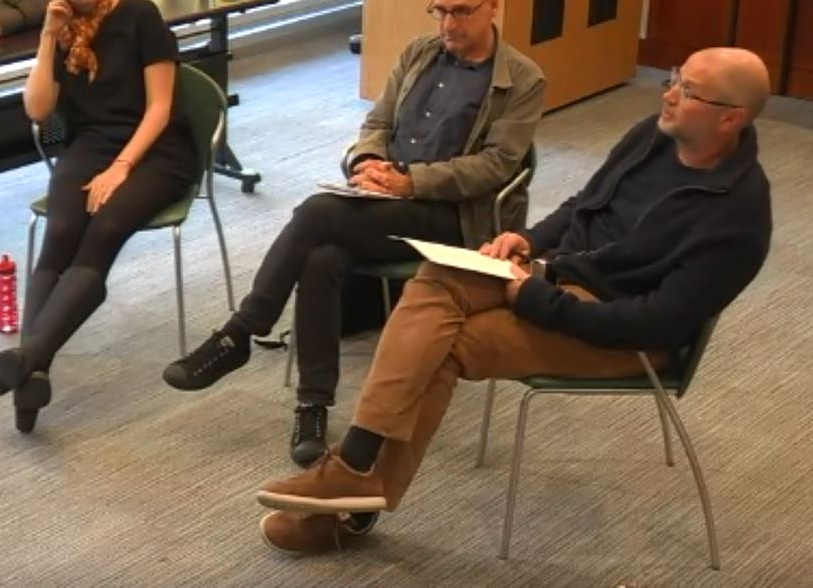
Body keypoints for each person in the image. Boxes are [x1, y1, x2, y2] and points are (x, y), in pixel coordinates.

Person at [253, 47, 773, 554]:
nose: (670, 93)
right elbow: (580, 206)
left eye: (689, 89)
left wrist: (540, 301)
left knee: (448, 342)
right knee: (440, 273)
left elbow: (654, 324)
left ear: (731, 119)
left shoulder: (737, 218)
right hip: (555, 275)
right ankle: (357, 471)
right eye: (675, 77)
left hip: (618, 330)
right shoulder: (653, 137)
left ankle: (350, 500)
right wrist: (531, 242)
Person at [162, 0, 546, 467]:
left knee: (318, 213)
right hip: (387, 202)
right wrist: (367, 162)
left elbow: (495, 166)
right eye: (440, 11)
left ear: (493, 7)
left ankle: (242, 331)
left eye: (461, 12)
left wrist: (411, 182)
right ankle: (312, 407)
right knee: (322, 257)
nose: (448, 24)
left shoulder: (522, 79)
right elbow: (378, 122)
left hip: (455, 219)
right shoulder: (419, 53)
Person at [0, 0, 197, 434]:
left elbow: (162, 107)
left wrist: (121, 167)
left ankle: (29, 357)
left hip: (156, 149)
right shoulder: (61, 29)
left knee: (101, 230)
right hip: (91, 146)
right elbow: (39, 111)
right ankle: (31, 374)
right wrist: (46, 37)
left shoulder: (139, 15)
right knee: (59, 233)